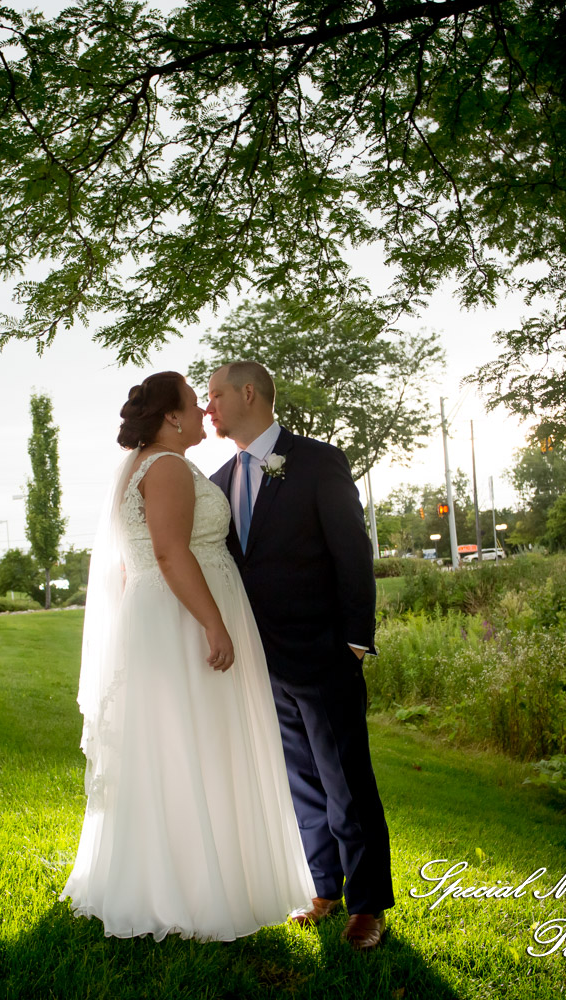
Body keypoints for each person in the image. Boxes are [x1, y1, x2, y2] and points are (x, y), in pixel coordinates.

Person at [61, 371, 315, 942]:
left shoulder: (144, 465)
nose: (204, 411)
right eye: (194, 404)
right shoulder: (168, 467)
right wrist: (213, 623)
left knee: (177, 748)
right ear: (172, 417)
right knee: (199, 745)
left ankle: (178, 882)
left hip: (162, 616)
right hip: (184, 620)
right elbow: (171, 554)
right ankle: (197, 894)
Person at [205, 360, 395, 951]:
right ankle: (324, 888)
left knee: (346, 782)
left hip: (324, 653)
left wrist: (355, 640)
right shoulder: (216, 481)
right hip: (260, 662)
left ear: (249, 393)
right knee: (301, 783)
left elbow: (351, 551)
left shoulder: (317, 461)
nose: (208, 407)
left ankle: (368, 905)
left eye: (215, 395)